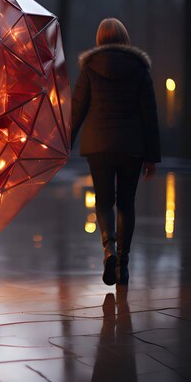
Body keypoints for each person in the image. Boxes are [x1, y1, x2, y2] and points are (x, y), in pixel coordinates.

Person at [71, 18, 161, 286]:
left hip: (98, 144)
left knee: (103, 201)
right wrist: (152, 156)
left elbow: (78, 109)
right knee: (125, 204)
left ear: (99, 39)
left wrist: (64, 143)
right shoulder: (140, 69)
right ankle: (123, 263)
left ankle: (108, 247)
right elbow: (149, 115)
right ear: (124, 37)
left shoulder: (89, 68)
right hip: (131, 146)